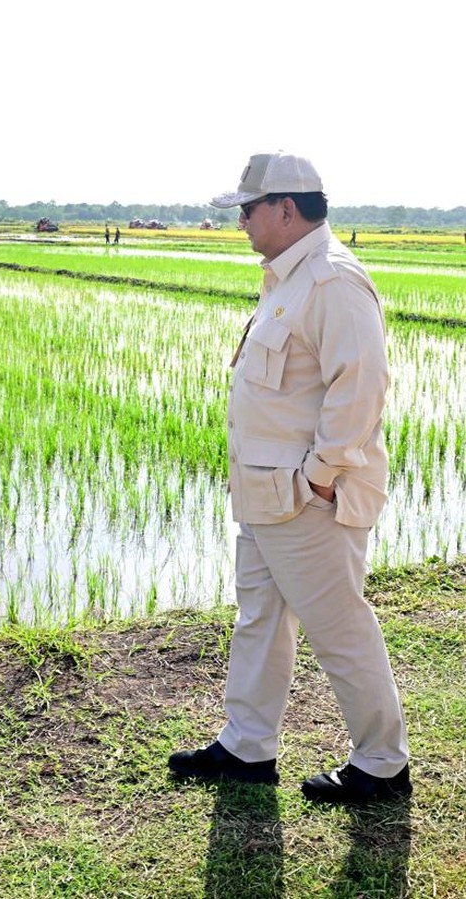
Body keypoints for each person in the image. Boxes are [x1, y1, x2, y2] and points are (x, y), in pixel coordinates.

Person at [168, 151, 410, 804]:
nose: (241, 222)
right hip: (266, 495)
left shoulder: (332, 282)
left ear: (285, 207)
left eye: (248, 210)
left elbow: (360, 389)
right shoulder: (289, 279)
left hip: (308, 500)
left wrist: (321, 478)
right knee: (260, 620)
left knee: (339, 628)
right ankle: (248, 746)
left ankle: (383, 761)